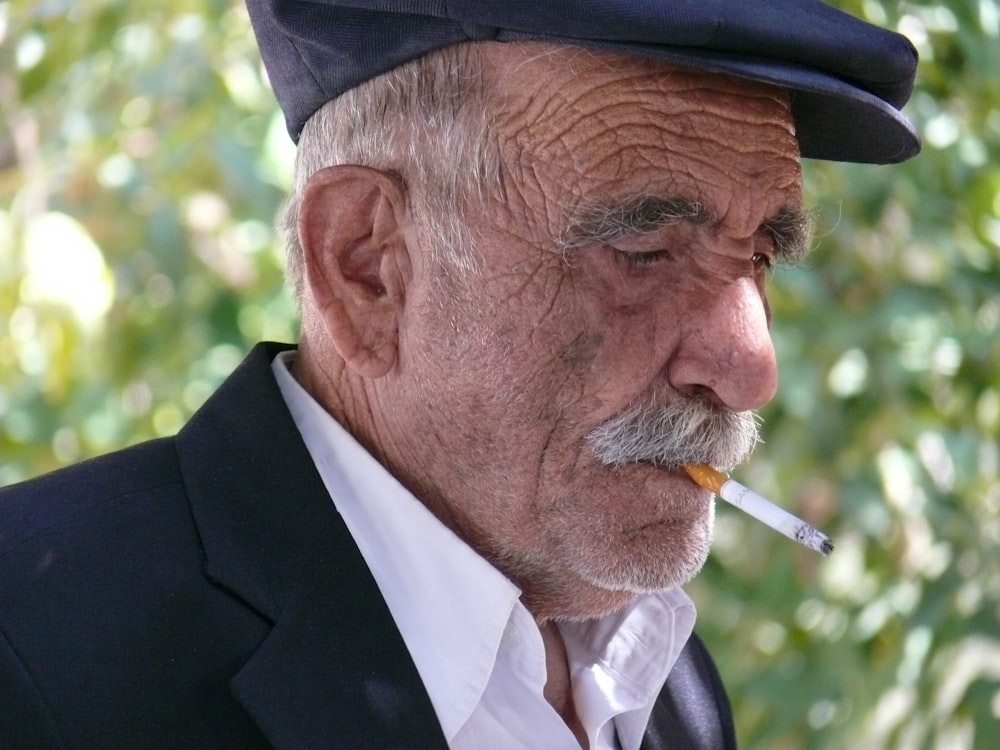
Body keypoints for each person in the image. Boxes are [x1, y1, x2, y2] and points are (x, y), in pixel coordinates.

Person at [0, 2, 920, 748]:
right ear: (366, 266)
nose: (750, 367)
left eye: (760, 254)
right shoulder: (36, 655)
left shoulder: (660, 678)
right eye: (643, 249)